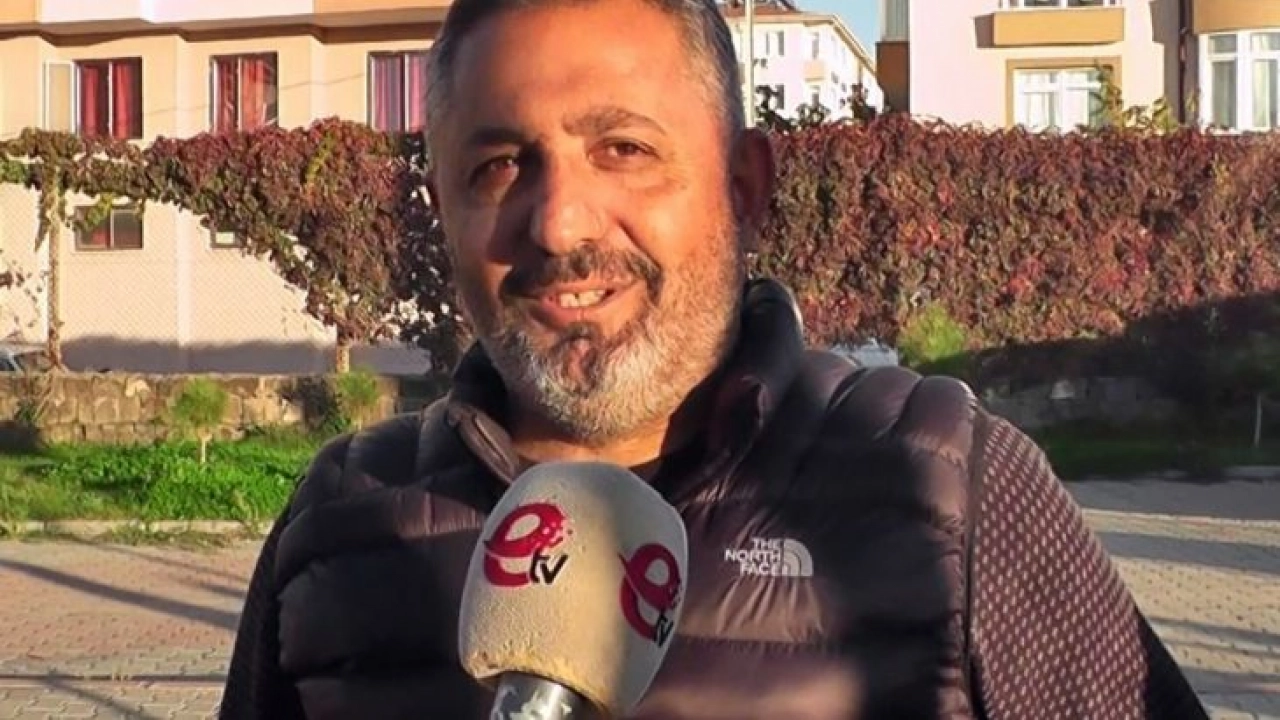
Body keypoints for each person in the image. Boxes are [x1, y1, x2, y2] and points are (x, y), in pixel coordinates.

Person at [219, 0, 1210, 718]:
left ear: (743, 188)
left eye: (623, 149)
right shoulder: (341, 518)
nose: (559, 223)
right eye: (498, 166)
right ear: (443, 212)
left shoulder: (948, 487)